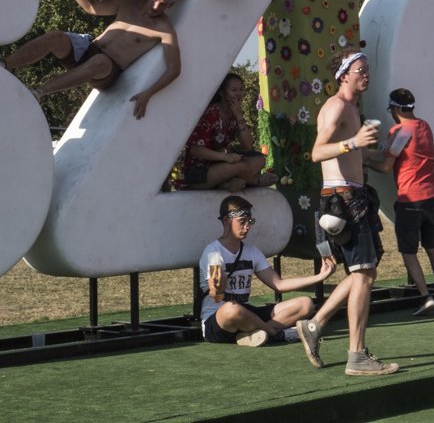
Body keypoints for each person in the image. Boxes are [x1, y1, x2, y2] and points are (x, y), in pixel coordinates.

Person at [295, 51, 399, 376]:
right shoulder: (337, 106)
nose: (366, 74)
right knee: (364, 273)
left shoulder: (353, 108)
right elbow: (317, 152)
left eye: (368, 69)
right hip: (342, 198)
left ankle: (315, 325)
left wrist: (386, 153)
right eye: (360, 70)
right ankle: (356, 356)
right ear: (344, 75)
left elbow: (361, 158)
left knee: (362, 272)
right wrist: (353, 143)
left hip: (354, 195)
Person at [3, 0, 181, 119]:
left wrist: (148, 94)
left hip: (107, 70)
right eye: (156, 0)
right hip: (88, 48)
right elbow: (91, 8)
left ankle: (38, 93)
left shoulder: (165, 30)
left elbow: (174, 70)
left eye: (163, 4)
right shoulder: (128, 1)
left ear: (170, 6)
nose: (156, 6)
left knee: (100, 61)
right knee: (56, 36)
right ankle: (4, 64)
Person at [200, 195, 336, 346]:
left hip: (247, 315)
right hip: (219, 322)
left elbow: (279, 284)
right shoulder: (213, 253)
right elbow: (215, 297)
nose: (247, 227)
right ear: (226, 220)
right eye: (242, 222)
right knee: (231, 309)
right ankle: (274, 333)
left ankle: (256, 334)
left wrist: (320, 276)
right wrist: (218, 290)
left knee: (306, 304)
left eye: (249, 222)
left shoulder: (252, 252)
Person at [383, 87, 434, 316]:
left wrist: (362, 159)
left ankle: (425, 297)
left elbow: (385, 166)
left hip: (410, 198)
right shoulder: (424, 126)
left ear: (394, 109)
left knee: (408, 252)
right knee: (433, 247)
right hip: (431, 195)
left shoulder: (398, 131)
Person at [171, 73, 277, 191]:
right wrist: (225, 157)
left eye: (241, 90)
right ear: (222, 93)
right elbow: (195, 149)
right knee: (240, 166)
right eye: (234, 90)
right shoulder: (211, 113)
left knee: (259, 160)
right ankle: (256, 181)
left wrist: (239, 116)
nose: (238, 94)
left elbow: (248, 145)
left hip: (219, 163)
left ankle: (226, 183)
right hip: (198, 170)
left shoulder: (234, 114)